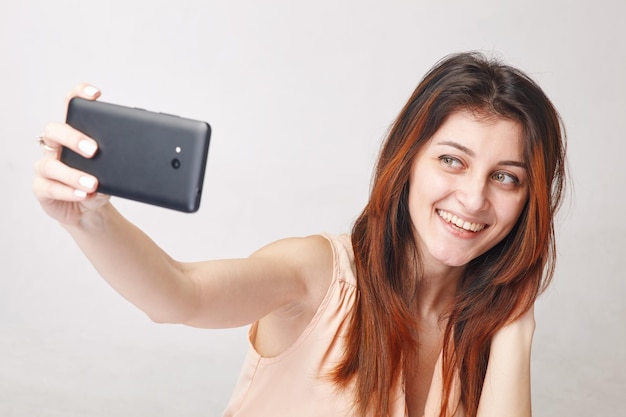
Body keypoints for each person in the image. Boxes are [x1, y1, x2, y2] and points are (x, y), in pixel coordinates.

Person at [32, 51, 566, 417]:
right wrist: (89, 218)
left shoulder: (483, 331)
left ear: (530, 199)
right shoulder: (318, 275)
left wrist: (517, 323)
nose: (473, 199)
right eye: (452, 161)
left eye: (505, 177)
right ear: (407, 163)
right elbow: (179, 293)